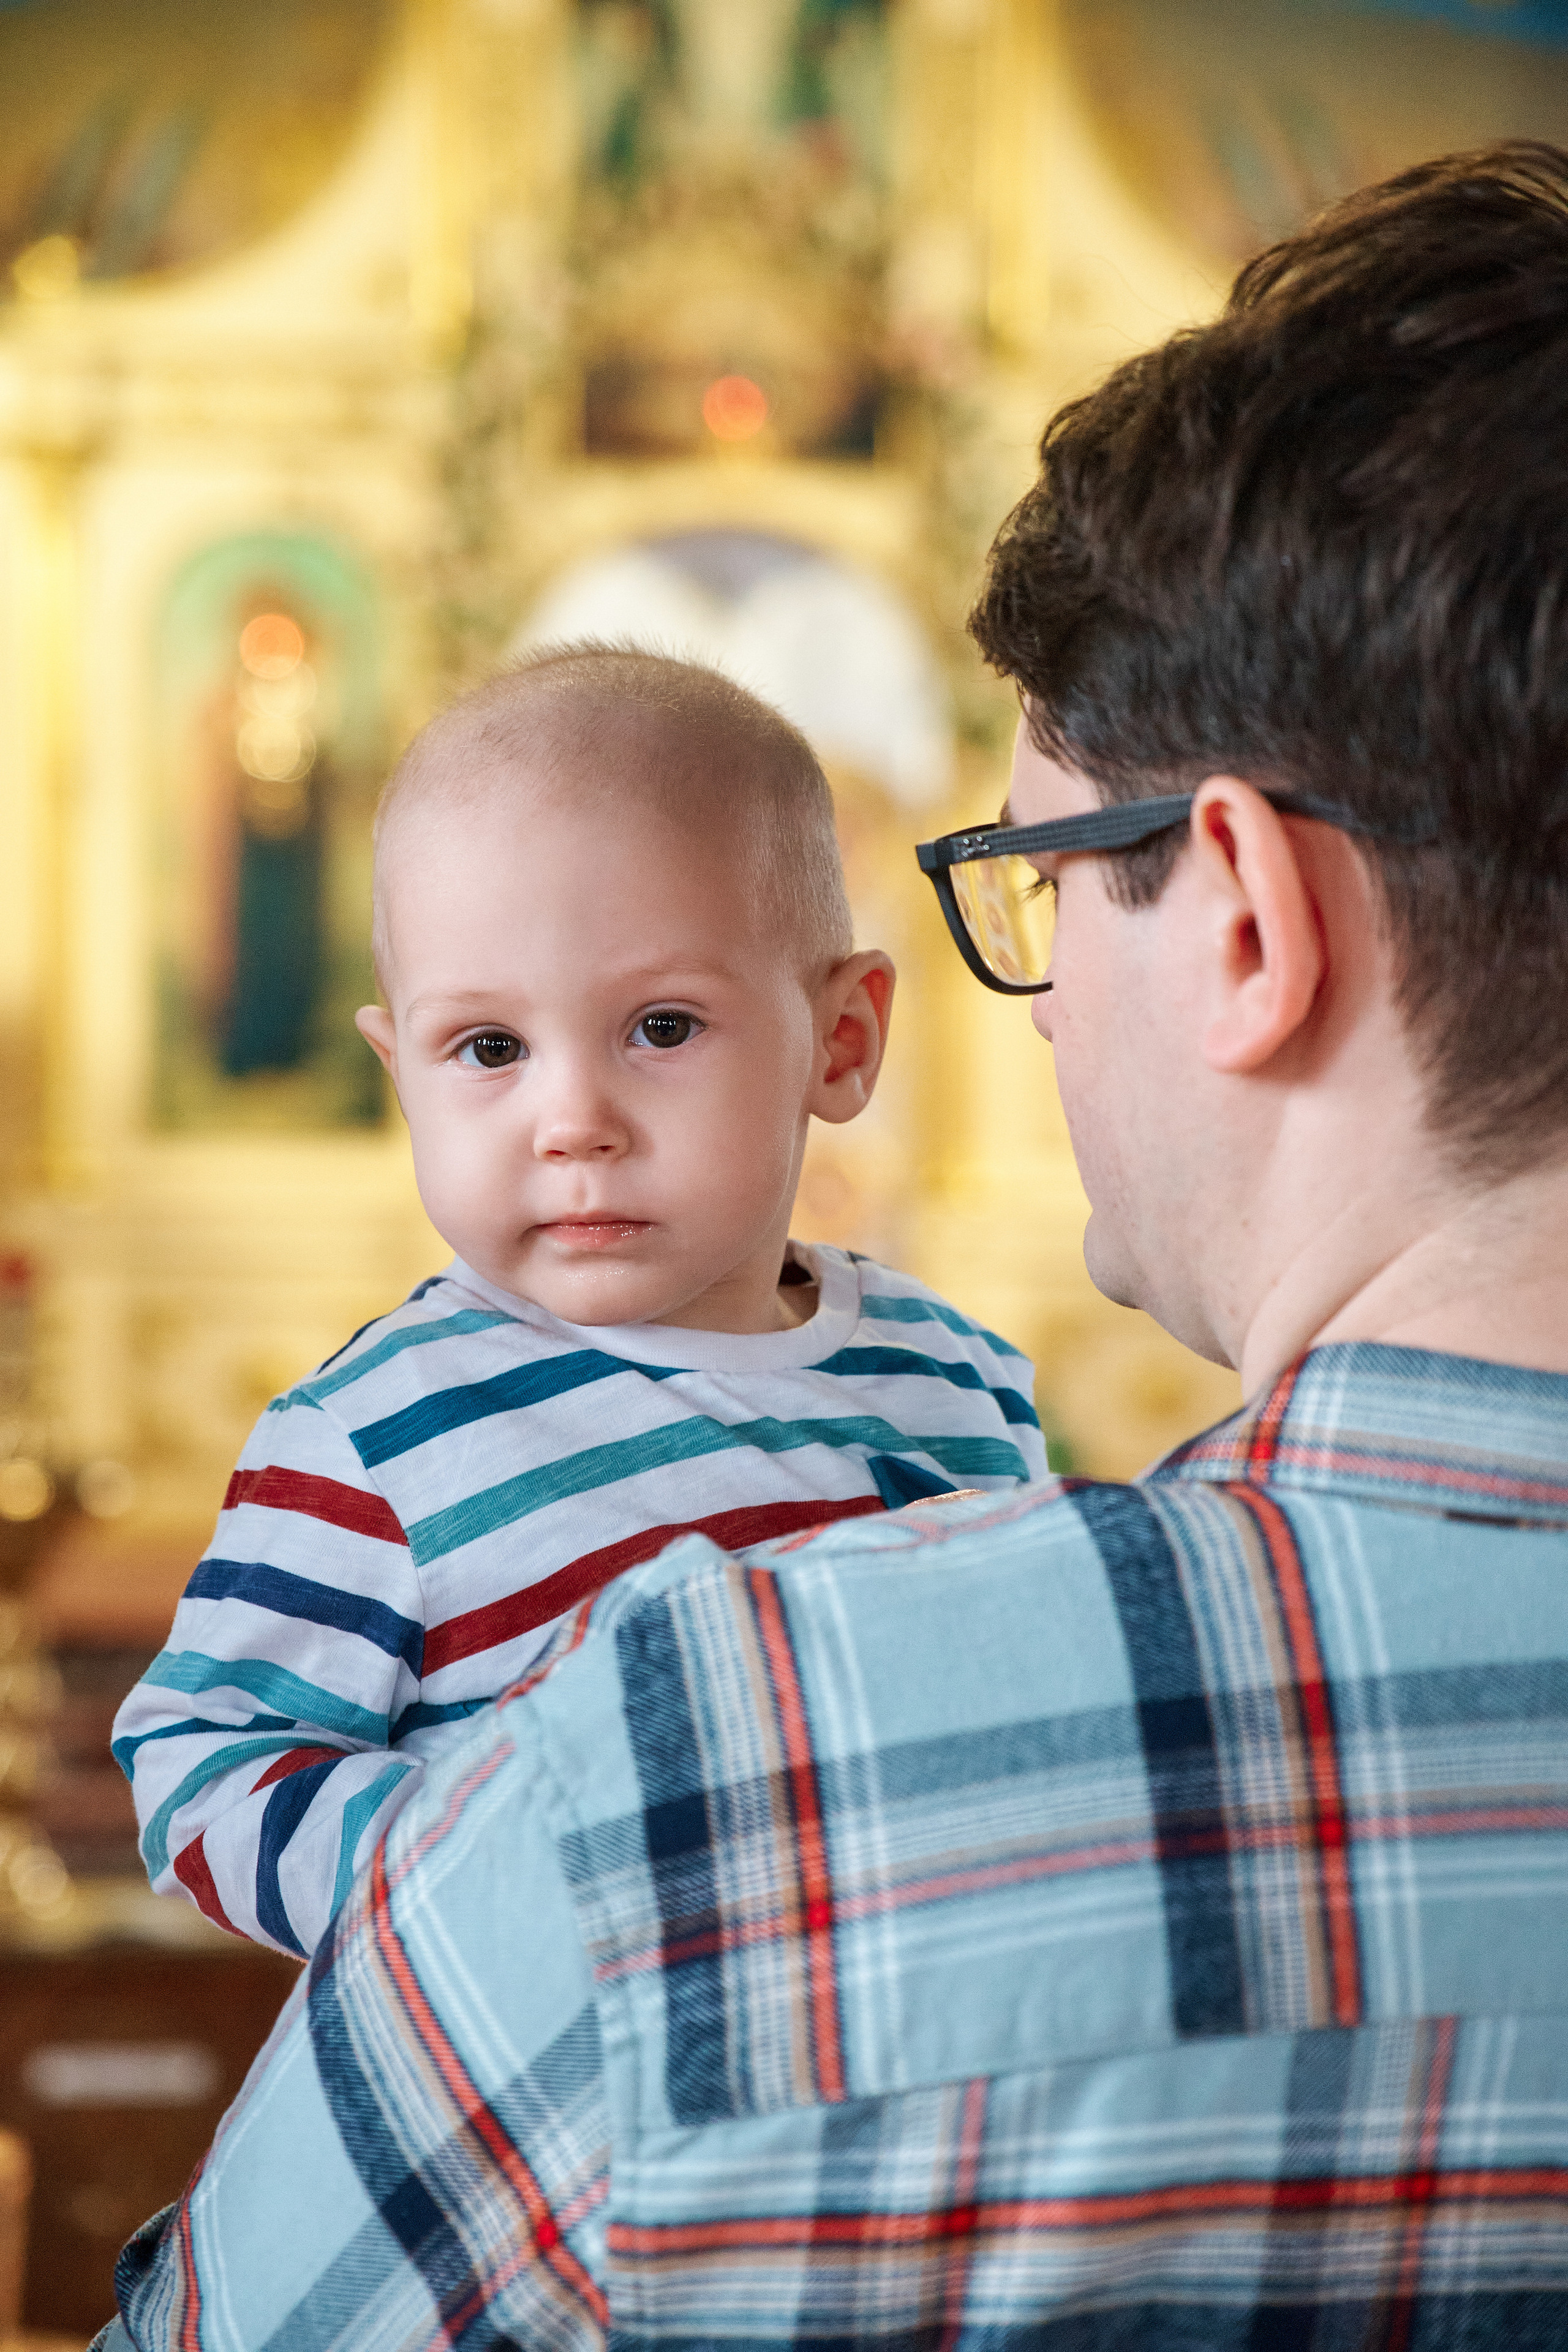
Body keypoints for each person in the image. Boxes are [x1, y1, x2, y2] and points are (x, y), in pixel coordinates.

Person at [100, 141, 1568, 2347]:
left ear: (1251, 918)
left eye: (1047, 879)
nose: (1041, 989)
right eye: (484, 1047)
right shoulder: (388, 1439)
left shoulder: (667, 1798)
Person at [111, 648, 1046, 1958]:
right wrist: (492, 1888)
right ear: (402, 1074)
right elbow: (203, 1764)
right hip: (564, 2118)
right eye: (487, 1049)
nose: (571, 1124)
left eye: (660, 1028)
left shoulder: (960, 1380)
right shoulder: (375, 1441)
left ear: (839, 1041)